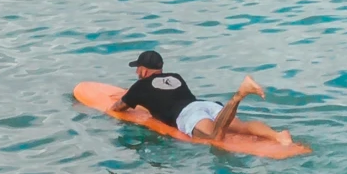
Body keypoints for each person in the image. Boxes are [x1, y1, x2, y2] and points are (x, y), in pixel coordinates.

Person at [116, 51, 293, 147]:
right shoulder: (176, 77)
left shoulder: (139, 87)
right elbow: (163, 96)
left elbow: (118, 107)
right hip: (203, 105)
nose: (136, 72)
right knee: (243, 127)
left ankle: (240, 94)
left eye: (137, 68)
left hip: (187, 115)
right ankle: (277, 135)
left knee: (215, 137)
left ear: (144, 71)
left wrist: (130, 96)